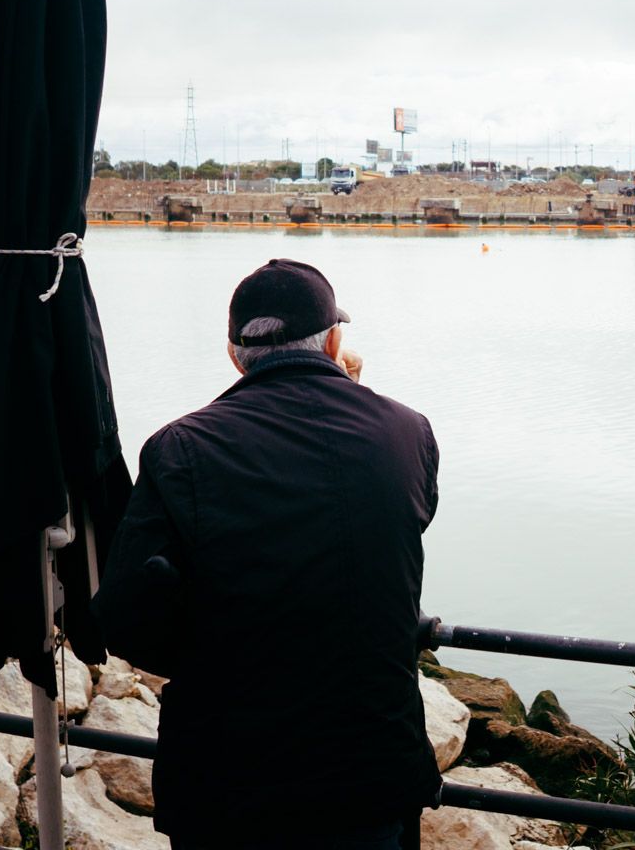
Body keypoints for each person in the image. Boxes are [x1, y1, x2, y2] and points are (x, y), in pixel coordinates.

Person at [94, 259, 442, 850]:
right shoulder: (409, 433)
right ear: (333, 342)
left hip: (230, 782)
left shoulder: (179, 449)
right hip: (373, 773)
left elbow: (126, 620)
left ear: (236, 355)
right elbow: (382, 539)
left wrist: (211, 648)